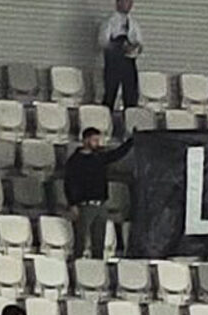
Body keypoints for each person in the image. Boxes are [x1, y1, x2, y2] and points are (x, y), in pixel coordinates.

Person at [60, 126, 133, 261]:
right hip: (84, 205)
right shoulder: (75, 160)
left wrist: (131, 142)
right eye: (95, 140)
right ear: (86, 140)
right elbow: (69, 183)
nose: (98, 143)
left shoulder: (99, 157)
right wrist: (73, 203)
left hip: (100, 204)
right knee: (80, 240)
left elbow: (116, 154)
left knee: (99, 240)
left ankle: (97, 267)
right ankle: (76, 266)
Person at [98, 0, 144, 113]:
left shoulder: (133, 23)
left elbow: (140, 44)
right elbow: (103, 41)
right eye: (126, 2)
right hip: (114, 61)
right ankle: (106, 116)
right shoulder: (109, 21)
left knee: (131, 92)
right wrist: (118, 47)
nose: (129, 5)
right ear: (118, 3)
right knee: (111, 90)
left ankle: (130, 116)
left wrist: (133, 48)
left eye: (130, 2)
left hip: (129, 60)